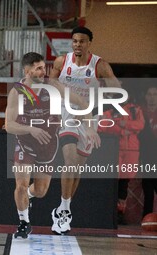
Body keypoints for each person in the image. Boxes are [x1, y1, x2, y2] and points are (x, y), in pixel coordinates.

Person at [49, 26, 121, 234]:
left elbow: (117, 90)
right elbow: (52, 80)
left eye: (81, 41)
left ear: (89, 43)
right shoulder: (62, 62)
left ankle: (64, 208)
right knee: (69, 161)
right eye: (74, 41)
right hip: (67, 115)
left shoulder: (100, 65)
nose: (77, 45)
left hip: (90, 118)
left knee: (77, 169)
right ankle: (63, 212)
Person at [5, 52, 60, 238]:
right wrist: (31, 129)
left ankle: (28, 196)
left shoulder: (51, 90)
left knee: (41, 191)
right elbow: (9, 125)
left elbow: (73, 107)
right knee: (20, 184)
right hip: (25, 143)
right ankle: (24, 222)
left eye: (44, 68)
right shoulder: (17, 92)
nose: (44, 72)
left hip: (47, 144)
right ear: (27, 71)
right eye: (38, 68)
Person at [99, 94, 145, 224]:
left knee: (125, 181)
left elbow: (140, 125)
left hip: (132, 149)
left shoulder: (135, 109)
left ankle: (120, 212)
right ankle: (110, 212)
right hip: (115, 149)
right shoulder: (109, 108)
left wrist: (124, 123)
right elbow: (103, 126)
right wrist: (121, 129)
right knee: (113, 180)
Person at [139, 85, 157, 217]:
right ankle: (146, 219)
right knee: (148, 192)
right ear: (145, 97)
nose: (152, 98)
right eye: (149, 94)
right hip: (145, 156)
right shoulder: (140, 111)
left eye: (155, 94)